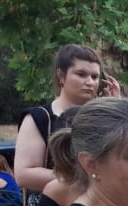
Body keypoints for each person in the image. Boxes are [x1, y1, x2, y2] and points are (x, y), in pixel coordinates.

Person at [15, 44, 119, 197]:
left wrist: (116, 111)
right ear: (61, 76)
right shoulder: (39, 118)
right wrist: (86, 180)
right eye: (81, 74)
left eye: (95, 77)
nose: (90, 82)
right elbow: (24, 175)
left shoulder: (103, 118)